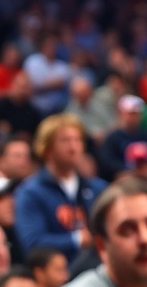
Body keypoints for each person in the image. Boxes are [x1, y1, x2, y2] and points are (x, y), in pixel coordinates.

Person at [15, 113, 107, 271]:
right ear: (48, 149)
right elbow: (33, 243)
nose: (73, 147)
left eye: (77, 140)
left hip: (98, 270)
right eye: (65, 140)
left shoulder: (97, 188)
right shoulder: (30, 192)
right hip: (58, 276)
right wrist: (76, 240)